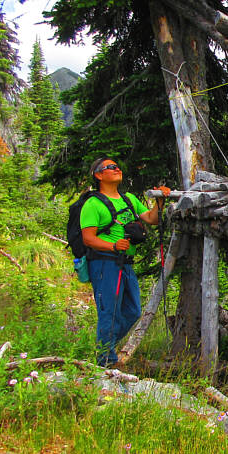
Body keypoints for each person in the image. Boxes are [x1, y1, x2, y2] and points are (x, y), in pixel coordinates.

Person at [81, 157, 170, 366]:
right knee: (109, 312)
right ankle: (105, 362)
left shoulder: (128, 198)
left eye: (117, 166)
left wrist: (160, 202)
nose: (116, 169)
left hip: (125, 263)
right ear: (98, 175)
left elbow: (151, 218)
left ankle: (105, 349)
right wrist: (112, 246)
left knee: (133, 311)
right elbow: (88, 238)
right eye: (110, 167)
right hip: (105, 263)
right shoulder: (93, 204)